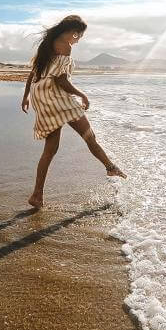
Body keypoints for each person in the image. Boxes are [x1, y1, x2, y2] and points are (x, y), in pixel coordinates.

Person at [21, 14, 126, 208]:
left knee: (50, 149)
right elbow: (61, 80)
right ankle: (110, 167)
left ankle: (37, 195)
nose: (77, 41)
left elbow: (34, 73)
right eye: (78, 36)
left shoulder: (47, 43)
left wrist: (26, 95)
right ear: (72, 32)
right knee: (88, 135)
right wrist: (82, 95)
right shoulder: (64, 46)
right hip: (54, 95)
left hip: (41, 95)